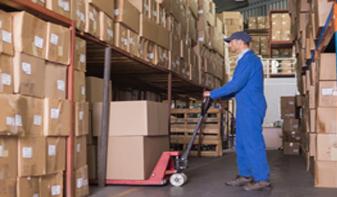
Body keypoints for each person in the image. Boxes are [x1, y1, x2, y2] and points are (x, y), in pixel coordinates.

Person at [204, 31, 271, 191]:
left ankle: (262, 178)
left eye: (231, 42)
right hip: (245, 105)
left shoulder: (250, 60)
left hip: (251, 106)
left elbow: (235, 85)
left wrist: (213, 93)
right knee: (241, 142)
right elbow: (237, 88)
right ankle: (245, 175)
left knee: (252, 142)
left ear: (240, 42)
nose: (229, 45)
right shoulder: (243, 61)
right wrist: (221, 97)